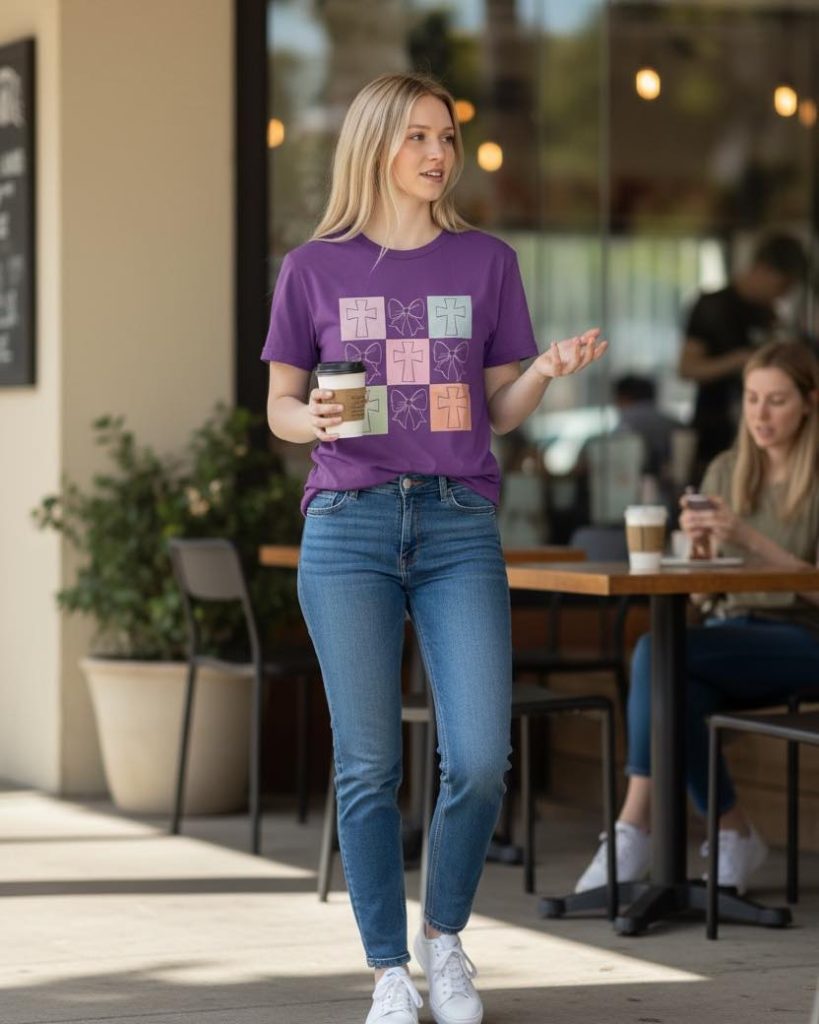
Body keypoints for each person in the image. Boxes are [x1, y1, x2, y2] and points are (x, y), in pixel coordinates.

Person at [262, 72, 606, 1024]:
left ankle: (444, 939)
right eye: (418, 136)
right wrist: (312, 418)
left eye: (446, 137)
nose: (437, 153)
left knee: (482, 757)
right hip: (350, 525)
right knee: (367, 764)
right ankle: (386, 969)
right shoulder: (313, 268)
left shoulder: (486, 261)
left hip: (458, 524)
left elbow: (495, 409)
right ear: (375, 144)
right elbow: (280, 405)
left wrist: (542, 370)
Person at [576, 340, 819, 898]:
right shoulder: (727, 469)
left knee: (655, 657)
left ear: (809, 402)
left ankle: (634, 827)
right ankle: (729, 831)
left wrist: (745, 538)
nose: (760, 414)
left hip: (804, 636)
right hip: (731, 632)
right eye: (752, 398)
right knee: (673, 681)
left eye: (777, 400)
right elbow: (707, 592)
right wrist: (702, 555)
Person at [679, 232, 807, 478]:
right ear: (762, 269)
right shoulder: (712, 305)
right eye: (781, 285)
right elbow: (687, 368)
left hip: (758, 432)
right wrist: (739, 360)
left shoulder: (768, 313)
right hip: (716, 425)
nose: (781, 295)